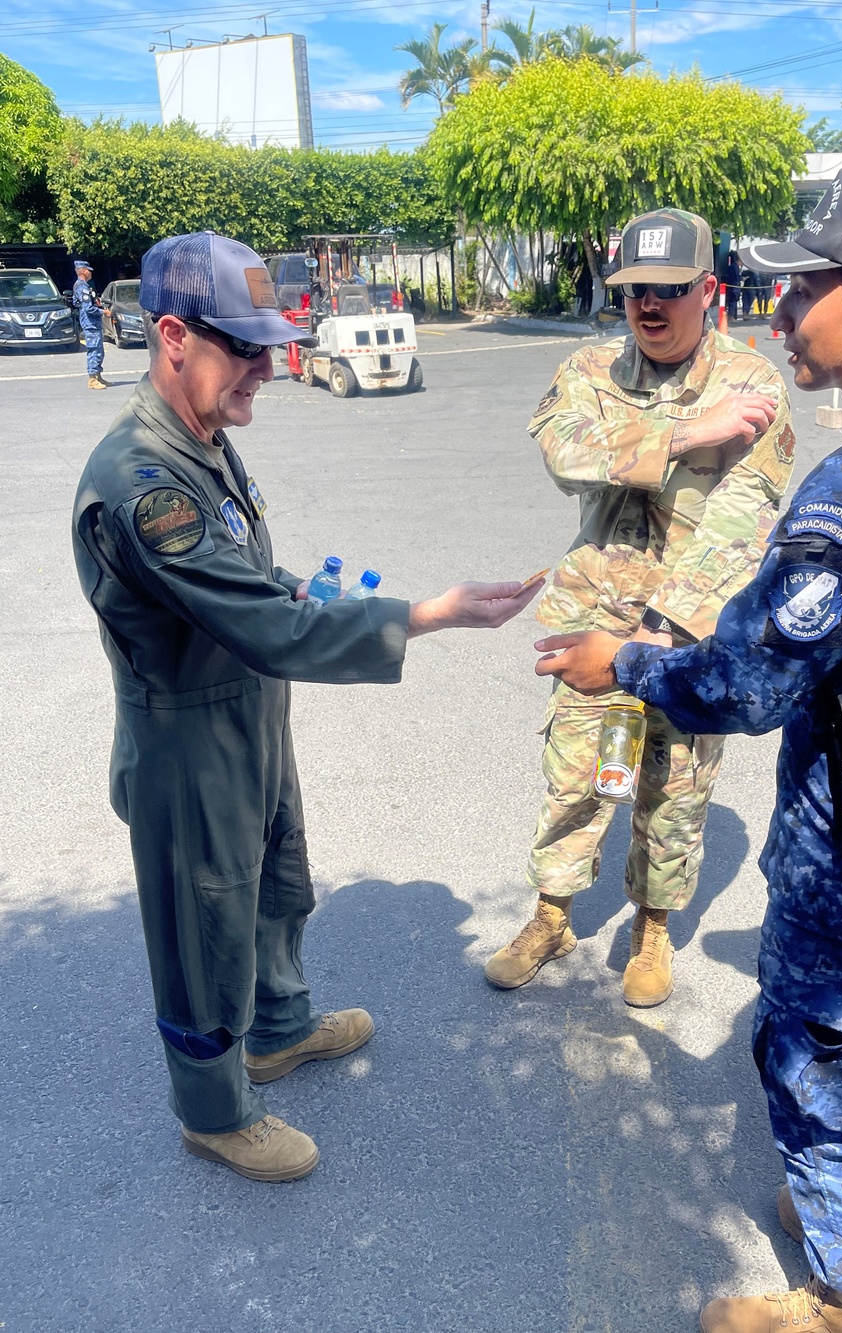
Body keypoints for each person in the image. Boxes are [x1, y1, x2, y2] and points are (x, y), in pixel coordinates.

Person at [531, 169, 842, 1332]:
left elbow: (739, 682)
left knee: (825, 1049)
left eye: (806, 290)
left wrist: (620, 665)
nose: (780, 312)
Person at [71, 231, 540, 1184]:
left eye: (270, 344)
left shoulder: (201, 443)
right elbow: (260, 620)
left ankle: (279, 1029)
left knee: (276, 876)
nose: (268, 369)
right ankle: (213, 1109)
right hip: (187, 738)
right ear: (172, 336)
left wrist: (323, 597)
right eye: (243, 348)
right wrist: (426, 615)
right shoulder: (142, 482)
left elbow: (257, 582)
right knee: (205, 924)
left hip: (248, 709)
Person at [484, 207, 795, 1006]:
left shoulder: (753, 385)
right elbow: (565, 454)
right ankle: (552, 913)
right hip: (593, 615)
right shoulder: (591, 371)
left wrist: (660, 636)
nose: (648, 305)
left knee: (675, 788)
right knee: (574, 777)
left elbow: (745, 516)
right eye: (633, 291)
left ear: (709, 290)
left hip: (688, 632)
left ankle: (652, 927)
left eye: (668, 288)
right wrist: (689, 433)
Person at [72, 259, 109, 390]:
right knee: (94, 349)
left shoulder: (84, 286)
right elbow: (88, 308)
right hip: (90, 322)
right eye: (89, 270)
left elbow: (77, 304)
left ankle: (98, 376)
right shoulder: (82, 287)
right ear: (83, 271)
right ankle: (93, 379)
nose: (91, 272)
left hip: (92, 322)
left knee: (99, 349)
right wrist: (103, 311)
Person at [723, 251, 741, 323]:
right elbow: (736, 277)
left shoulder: (731, 267)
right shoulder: (735, 267)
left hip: (730, 286)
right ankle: (731, 316)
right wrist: (741, 278)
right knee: (733, 302)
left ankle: (731, 316)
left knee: (731, 302)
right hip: (734, 287)